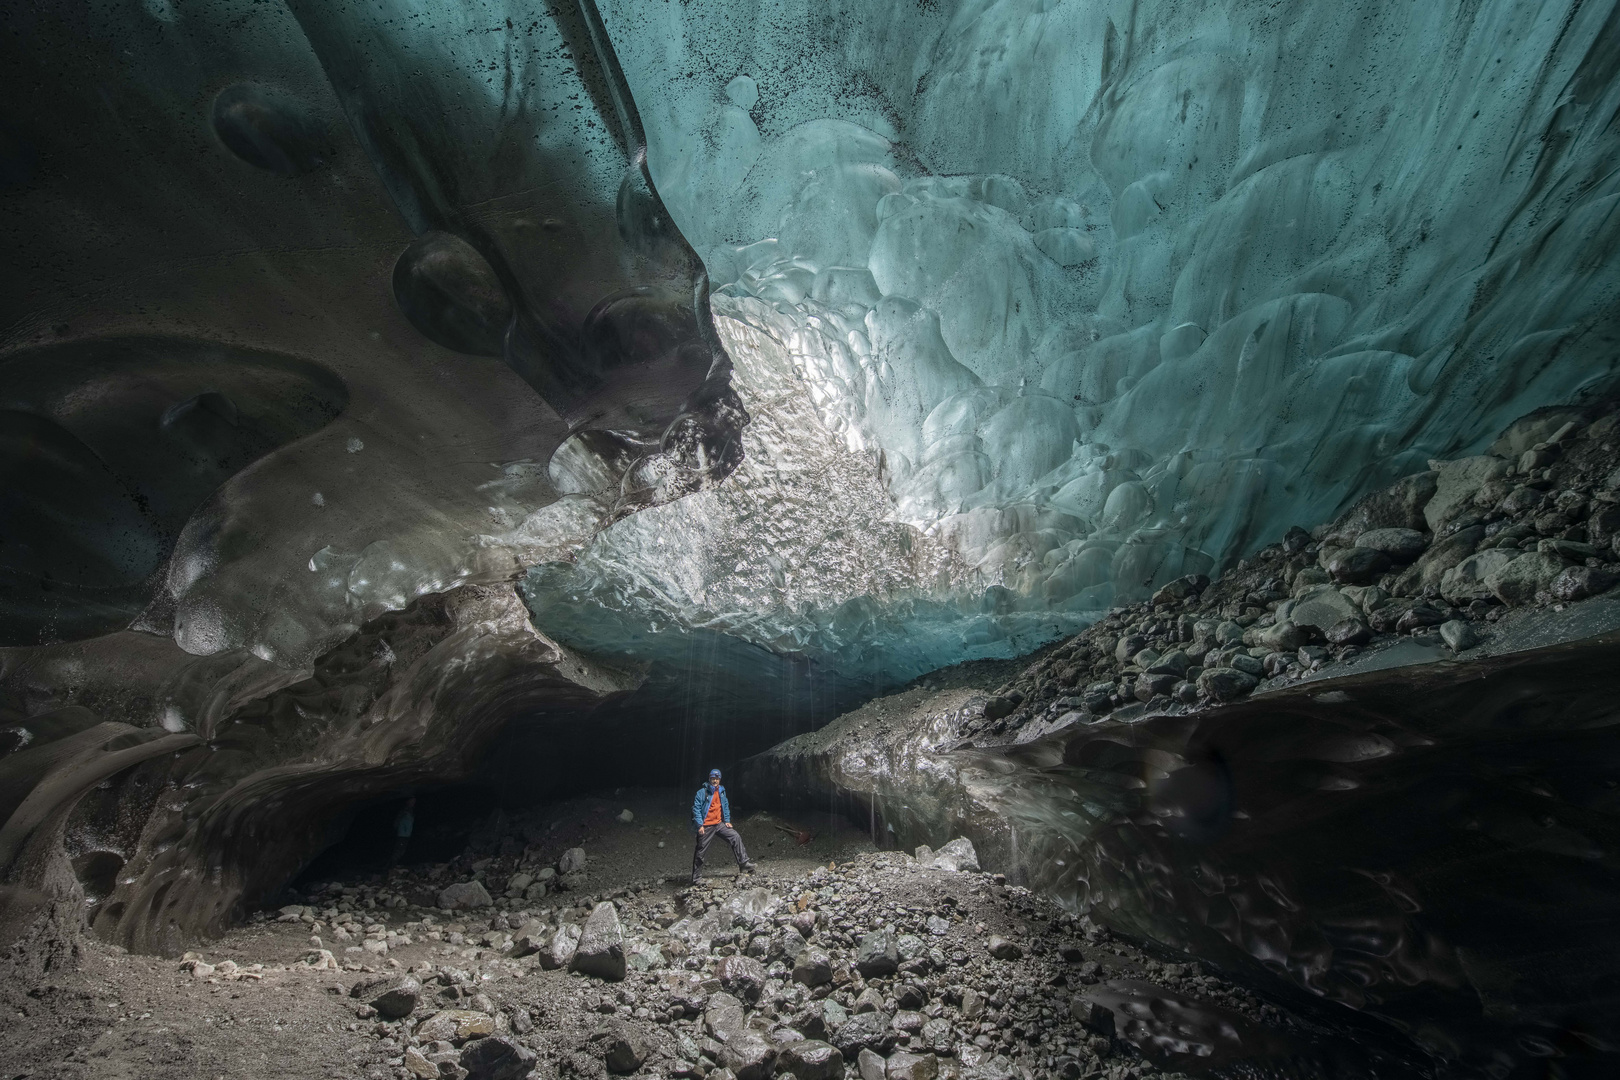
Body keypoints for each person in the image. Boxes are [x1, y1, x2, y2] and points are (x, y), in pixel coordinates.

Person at [691, 769, 754, 885]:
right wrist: (700, 825)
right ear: (709, 779)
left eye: (717, 778)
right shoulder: (702, 792)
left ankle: (744, 864)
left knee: (735, 836)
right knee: (700, 851)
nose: (715, 781)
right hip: (706, 826)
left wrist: (727, 821)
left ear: (720, 779)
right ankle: (696, 878)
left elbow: (725, 806)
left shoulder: (721, 791)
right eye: (713, 778)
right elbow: (696, 809)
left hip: (719, 824)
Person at [390, 796, 415, 868]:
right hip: (402, 834)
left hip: (407, 834)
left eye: (414, 802)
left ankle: (397, 864)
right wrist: (397, 829)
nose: (413, 803)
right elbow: (397, 821)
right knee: (399, 850)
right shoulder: (404, 811)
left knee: (403, 850)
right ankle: (393, 865)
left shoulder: (411, 811)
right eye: (412, 801)